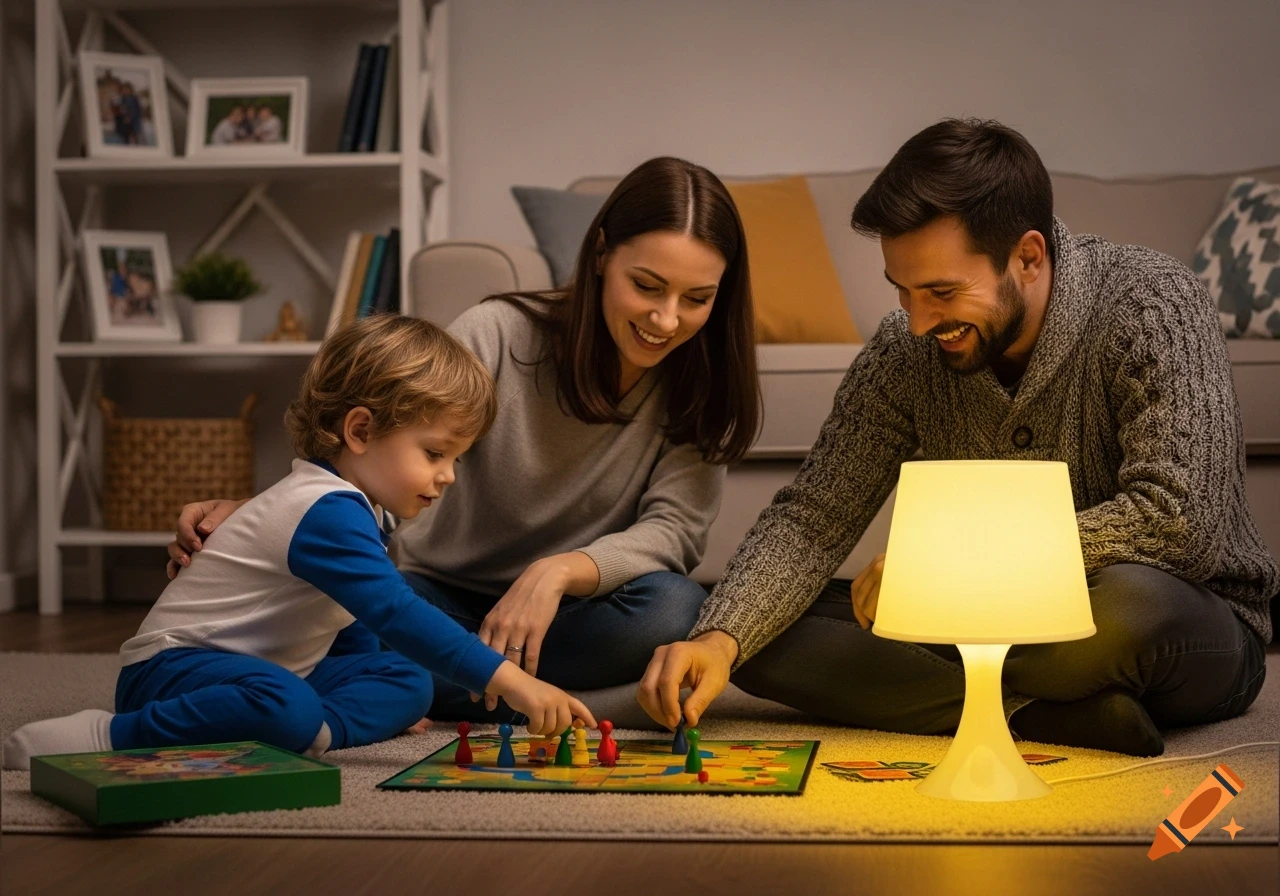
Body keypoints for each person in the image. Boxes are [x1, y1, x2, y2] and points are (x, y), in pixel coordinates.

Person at [638, 119, 1277, 757]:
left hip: (1179, 621)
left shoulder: (1153, 302)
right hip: (980, 627)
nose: (917, 322)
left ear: (1028, 257)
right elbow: (814, 516)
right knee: (758, 632)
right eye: (903, 291)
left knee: (1132, 608)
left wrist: (939, 568)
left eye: (942, 292)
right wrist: (721, 637)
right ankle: (1041, 714)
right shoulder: (903, 351)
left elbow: (1179, 524)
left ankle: (971, 700)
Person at [164, 156, 762, 727]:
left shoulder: (703, 385)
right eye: (647, 286)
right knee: (363, 613)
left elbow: (674, 533)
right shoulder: (499, 333)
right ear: (602, 252)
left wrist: (554, 573)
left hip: (568, 612)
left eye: (696, 299)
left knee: (673, 611)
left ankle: (467, 691)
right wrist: (262, 514)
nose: (665, 320)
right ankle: (586, 704)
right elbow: (379, 445)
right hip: (435, 596)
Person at [2, 315, 595, 770]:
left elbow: (351, 620)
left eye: (456, 459)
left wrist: (375, 677)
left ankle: (309, 730)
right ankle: (107, 735)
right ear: (360, 431)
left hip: (269, 669)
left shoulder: (355, 507)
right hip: (170, 673)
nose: (448, 476)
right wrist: (509, 679)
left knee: (407, 682)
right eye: (435, 453)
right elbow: (393, 609)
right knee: (285, 701)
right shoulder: (323, 511)